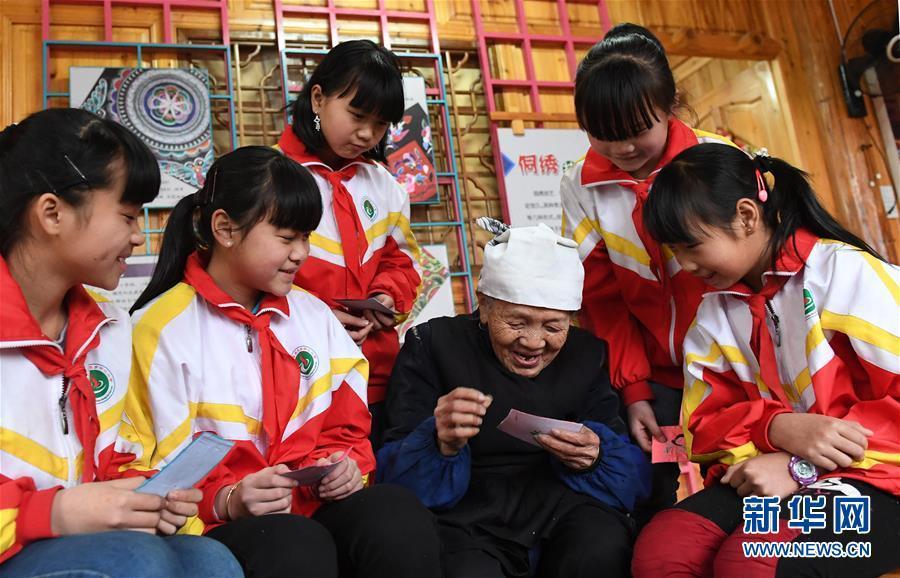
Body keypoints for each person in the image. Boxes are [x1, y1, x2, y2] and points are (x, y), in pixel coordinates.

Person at [118, 146, 441, 578]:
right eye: (287, 238)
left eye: (306, 236)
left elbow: (347, 428)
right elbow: (142, 468)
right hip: (212, 524)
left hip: (309, 509)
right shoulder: (160, 328)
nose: (302, 254)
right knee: (291, 543)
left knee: (395, 511)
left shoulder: (314, 315)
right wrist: (227, 499)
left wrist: (345, 467)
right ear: (225, 229)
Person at [632, 144, 900, 577]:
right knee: (665, 548)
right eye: (673, 251)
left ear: (746, 215)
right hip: (781, 470)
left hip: (883, 481)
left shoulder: (846, 275)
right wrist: (775, 428)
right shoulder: (715, 311)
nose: (683, 264)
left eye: (690, 245)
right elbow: (700, 428)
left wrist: (802, 467)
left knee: (753, 561)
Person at [0, 108, 241, 578]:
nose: (136, 237)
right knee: (135, 561)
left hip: (66, 546)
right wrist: (52, 513)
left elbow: (114, 456)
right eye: (128, 215)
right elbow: (65, 510)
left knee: (210, 560)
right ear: (52, 213)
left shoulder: (107, 328)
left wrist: (145, 498)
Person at [378, 222, 651, 578]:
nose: (534, 342)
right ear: (486, 306)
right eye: (517, 322)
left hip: (561, 503)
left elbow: (631, 477)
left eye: (553, 327)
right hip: (467, 513)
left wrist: (596, 458)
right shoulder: (433, 345)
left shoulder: (585, 355)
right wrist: (437, 443)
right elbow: (392, 476)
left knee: (599, 547)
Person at [560, 22, 735, 523]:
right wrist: (634, 390)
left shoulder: (717, 161)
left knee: (741, 490)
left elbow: (752, 285)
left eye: (637, 131)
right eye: (602, 135)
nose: (622, 150)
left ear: (670, 105)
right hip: (653, 373)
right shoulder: (581, 184)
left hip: (734, 368)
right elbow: (602, 297)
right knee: (651, 492)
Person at [276, 39, 422, 447]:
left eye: (379, 125)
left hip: (375, 376)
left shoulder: (386, 186)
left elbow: (402, 265)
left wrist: (386, 297)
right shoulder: (271, 177)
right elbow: (244, 280)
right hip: (293, 376)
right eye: (356, 115)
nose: (365, 134)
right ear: (318, 98)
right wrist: (314, 320)